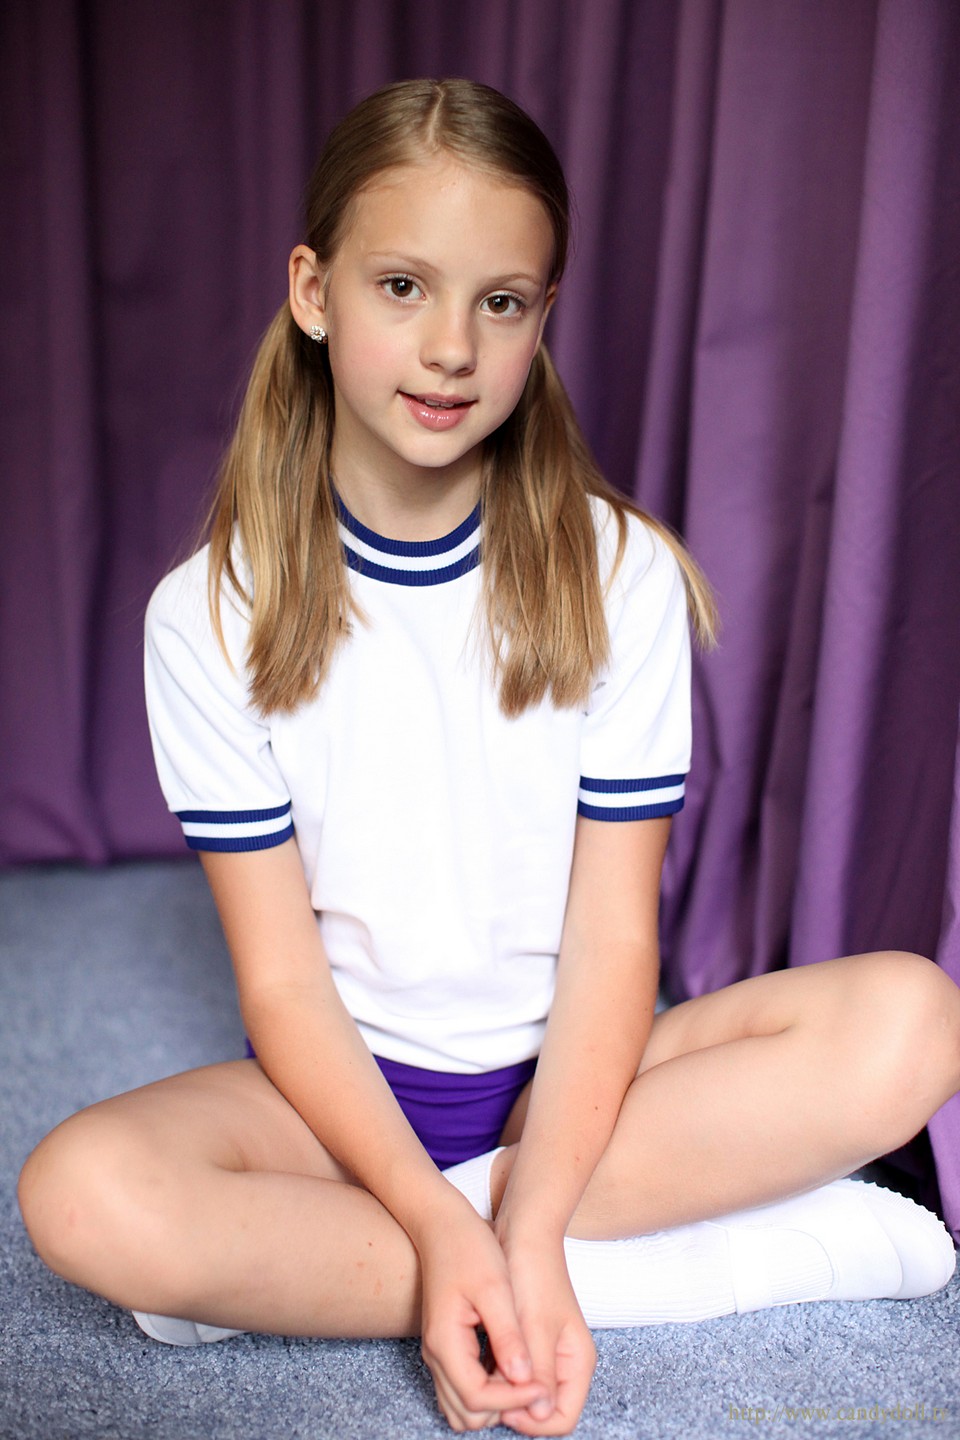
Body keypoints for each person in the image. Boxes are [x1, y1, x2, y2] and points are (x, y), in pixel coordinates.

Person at [18, 78, 960, 1438]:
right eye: (403, 286)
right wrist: (437, 1214)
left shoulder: (620, 573)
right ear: (315, 292)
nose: (452, 346)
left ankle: (447, 1255)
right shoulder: (206, 612)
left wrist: (533, 1197)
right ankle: (584, 1264)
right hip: (333, 1108)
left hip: (584, 1085)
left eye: (501, 302)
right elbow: (280, 983)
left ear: (541, 318)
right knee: (81, 1193)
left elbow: (616, 945)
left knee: (917, 1019)